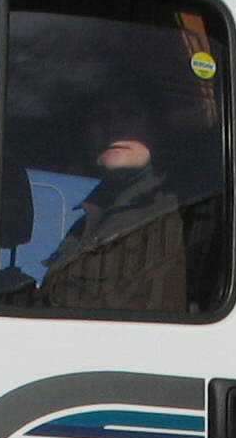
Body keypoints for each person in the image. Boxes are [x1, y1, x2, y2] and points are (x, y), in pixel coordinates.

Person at [35, 101, 188, 314]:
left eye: (130, 114)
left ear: (158, 132)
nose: (113, 126)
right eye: (101, 116)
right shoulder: (85, 223)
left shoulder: (169, 213)